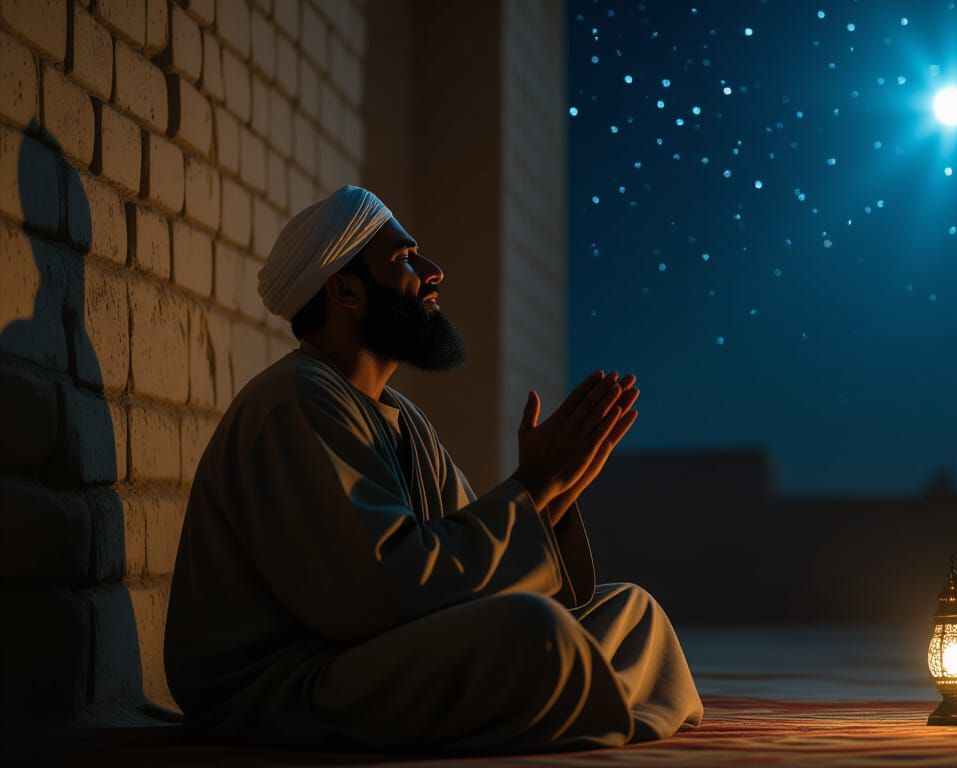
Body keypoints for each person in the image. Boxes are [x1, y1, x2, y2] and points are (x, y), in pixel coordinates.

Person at [163, 185, 703, 754]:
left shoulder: (404, 418)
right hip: (288, 684)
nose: (434, 272)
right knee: (537, 636)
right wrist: (533, 486)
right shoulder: (295, 403)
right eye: (402, 259)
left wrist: (555, 493)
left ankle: (582, 699)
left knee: (634, 612)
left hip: (374, 654)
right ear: (345, 291)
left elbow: (461, 564)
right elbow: (375, 593)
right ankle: (590, 697)